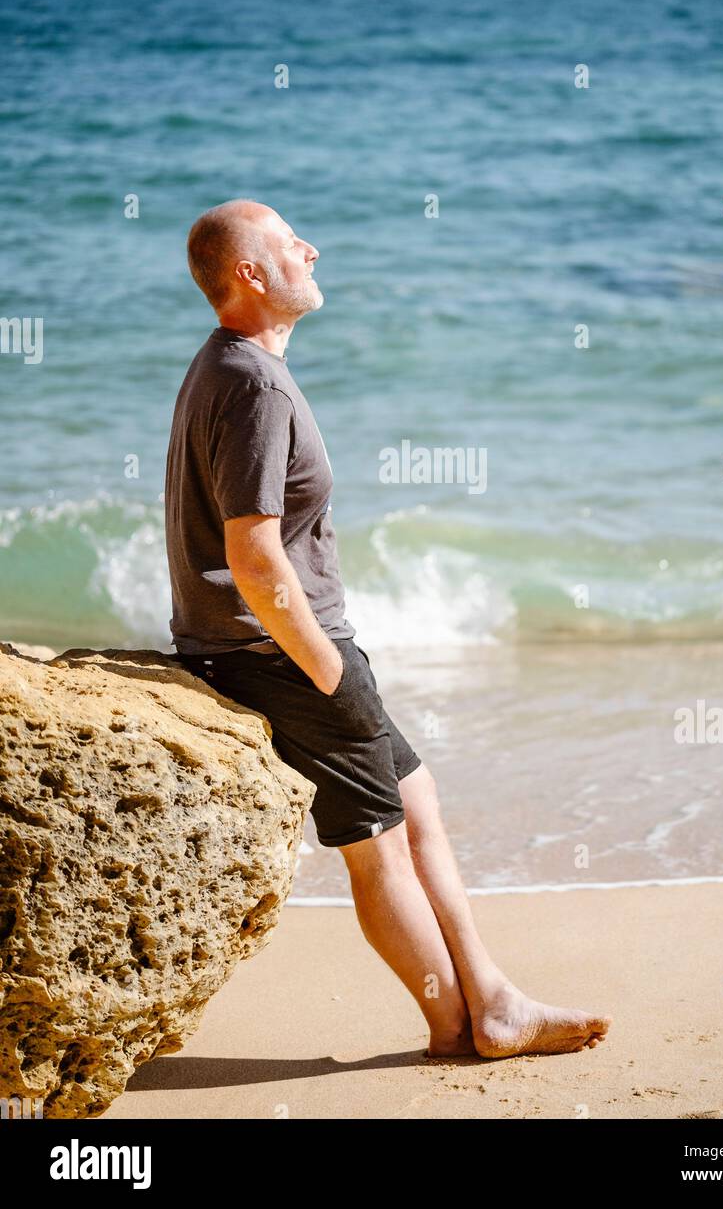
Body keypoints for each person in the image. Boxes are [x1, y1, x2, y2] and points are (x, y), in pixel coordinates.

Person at [164, 198, 611, 1059]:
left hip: (271, 647)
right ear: (250, 274)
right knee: (376, 848)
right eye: (292, 244)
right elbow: (253, 556)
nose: (313, 249)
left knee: (415, 800)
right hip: (281, 653)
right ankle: (454, 1029)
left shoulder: (225, 364)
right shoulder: (252, 382)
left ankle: (490, 999)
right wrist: (330, 670)